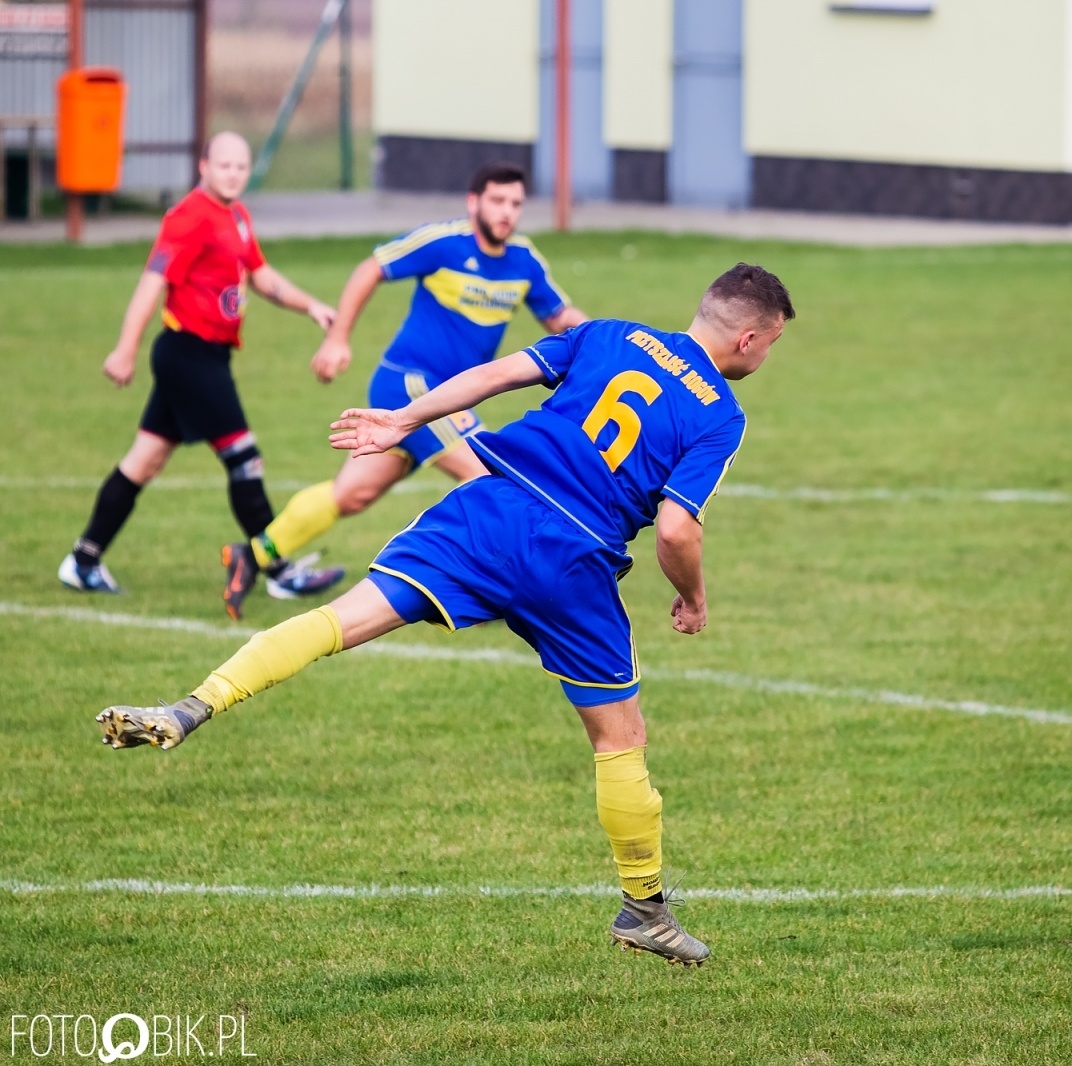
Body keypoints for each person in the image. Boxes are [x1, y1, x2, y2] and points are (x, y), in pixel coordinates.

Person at [97, 263, 797, 967]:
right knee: (620, 740)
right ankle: (644, 909)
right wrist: (694, 597)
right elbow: (677, 530)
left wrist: (405, 418)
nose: (766, 357)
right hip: (572, 562)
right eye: (770, 344)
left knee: (341, 620)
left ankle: (195, 704)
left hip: (486, 512)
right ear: (746, 339)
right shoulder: (720, 415)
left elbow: (494, 375)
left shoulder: (607, 334)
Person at [224, 161, 587, 620]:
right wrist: (337, 338)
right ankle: (511, 592)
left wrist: (611, 339)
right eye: (497, 201)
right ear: (474, 202)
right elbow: (369, 268)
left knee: (350, 494)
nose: (507, 212)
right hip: (411, 386)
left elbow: (560, 318)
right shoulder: (443, 242)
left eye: (515, 203)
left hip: (452, 396)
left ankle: (252, 555)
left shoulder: (524, 261)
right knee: (489, 475)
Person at [59, 131, 346, 611]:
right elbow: (154, 281)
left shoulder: (235, 215)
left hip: (206, 358)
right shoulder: (189, 217)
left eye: (241, 165)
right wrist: (124, 348)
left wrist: (311, 306)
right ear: (204, 167)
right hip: (187, 355)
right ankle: (277, 569)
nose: (233, 173)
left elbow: (262, 276)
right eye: (224, 165)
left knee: (144, 460)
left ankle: (83, 561)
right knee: (244, 458)